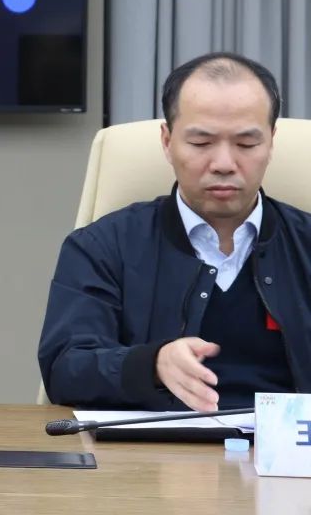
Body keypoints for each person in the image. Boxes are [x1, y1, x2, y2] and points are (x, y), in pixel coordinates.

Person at [38, 53, 308, 412]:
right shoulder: (103, 246)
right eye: (201, 143)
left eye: (246, 144)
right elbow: (65, 367)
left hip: (289, 445)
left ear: (271, 142)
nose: (224, 164)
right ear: (167, 141)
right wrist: (151, 365)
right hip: (153, 444)